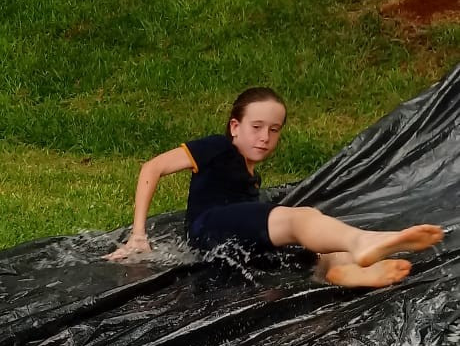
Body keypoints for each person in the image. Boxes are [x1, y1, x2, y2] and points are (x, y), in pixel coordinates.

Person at [104, 87, 444, 287]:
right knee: (300, 218)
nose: (265, 137)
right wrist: (138, 235)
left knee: (316, 238)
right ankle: (361, 241)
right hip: (209, 227)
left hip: (232, 238)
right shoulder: (217, 147)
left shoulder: (249, 175)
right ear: (234, 127)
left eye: (274, 129)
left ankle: (340, 270)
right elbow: (152, 168)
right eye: (256, 127)